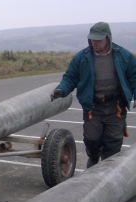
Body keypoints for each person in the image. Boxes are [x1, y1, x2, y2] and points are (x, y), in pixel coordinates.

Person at [51, 22, 136, 168]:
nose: (95, 43)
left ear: (108, 38)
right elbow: (70, 77)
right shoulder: (81, 58)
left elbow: (134, 77)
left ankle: (107, 170)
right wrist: (61, 90)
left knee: (114, 141)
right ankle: (93, 157)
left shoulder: (124, 55)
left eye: (99, 39)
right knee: (92, 139)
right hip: (93, 106)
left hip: (116, 106)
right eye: (92, 39)